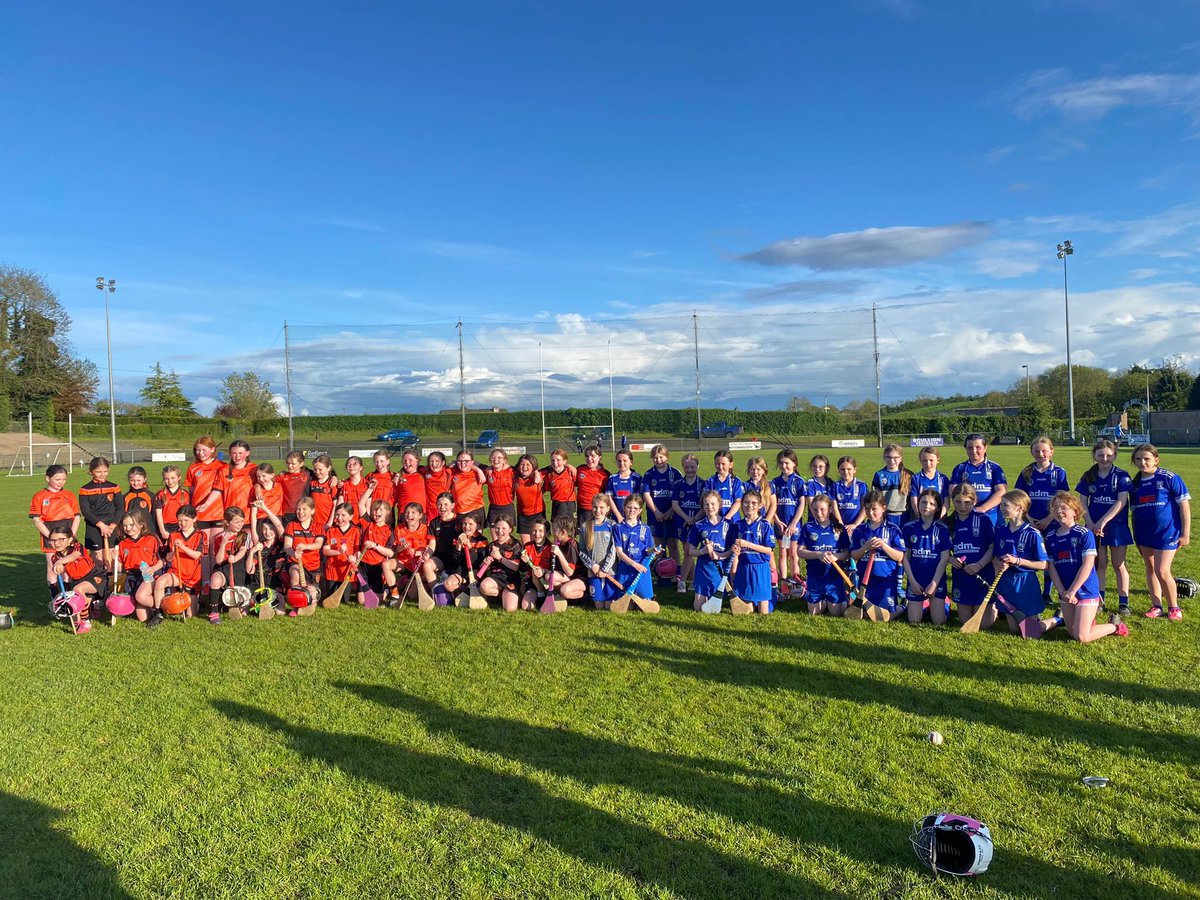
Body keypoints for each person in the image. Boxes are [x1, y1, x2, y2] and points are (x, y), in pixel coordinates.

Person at [1038, 492, 1128, 642]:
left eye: (1064, 508)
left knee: (1081, 636)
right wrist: (1062, 592)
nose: (1059, 511)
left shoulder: (1084, 533)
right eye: (1055, 508)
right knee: (1072, 632)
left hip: (1085, 589)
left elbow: (1087, 565)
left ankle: (1115, 626)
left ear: (1075, 511)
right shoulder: (1050, 537)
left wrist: (1073, 591)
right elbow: (1052, 567)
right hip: (1066, 591)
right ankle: (1080, 621)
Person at [1128, 443, 1191, 620]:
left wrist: (1185, 534)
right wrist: (1136, 534)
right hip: (1144, 533)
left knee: (1162, 570)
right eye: (1138, 459)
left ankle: (1174, 607)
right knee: (1150, 568)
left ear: (1156, 459)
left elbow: (1184, 507)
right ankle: (1156, 605)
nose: (1142, 462)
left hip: (1167, 532)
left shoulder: (1169, 477)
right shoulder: (1135, 484)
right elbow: (1134, 512)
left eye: (1146, 459)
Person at [1076, 439, 1133, 614]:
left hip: (1116, 526)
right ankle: (1099, 600)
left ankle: (1123, 602)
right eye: (1100, 455)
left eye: (1109, 455)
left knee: (1118, 564)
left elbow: (1121, 501)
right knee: (1099, 564)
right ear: (1094, 456)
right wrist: (1091, 524)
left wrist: (1103, 522)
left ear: (1114, 455)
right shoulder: (1088, 476)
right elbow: (1083, 502)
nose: (1105, 458)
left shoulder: (1122, 476)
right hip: (1093, 527)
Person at [992, 490, 1049, 633]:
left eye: (1006, 505)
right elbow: (995, 556)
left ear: (1020, 508)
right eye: (1002, 505)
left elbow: (1043, 564)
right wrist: (998, 563)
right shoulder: (1000, 530)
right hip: (1006, 581)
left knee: (1030, 632)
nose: (1002, 508)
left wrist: (1017, 561)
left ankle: (1057, 620)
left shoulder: (1032, 533)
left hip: (1025, 582)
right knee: (1014, 630)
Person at [848, 491, 905, 620]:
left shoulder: (893, 529)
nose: (870, 512)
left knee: (883, 616)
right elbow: (854, 555)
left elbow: (900, 557)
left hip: (886, 581)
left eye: (874, 509)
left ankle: (903, 606)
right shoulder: (859, 530)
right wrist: (865, 547)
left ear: (883, 508)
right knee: (867, 615)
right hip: (865, 582)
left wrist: (884, 546)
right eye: (867, 509)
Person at [947, 483, 995, 626]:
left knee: (985, 624)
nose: (962, 506)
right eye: (958, 502)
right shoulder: (949, 523)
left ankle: (996, 608)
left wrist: (979, 565)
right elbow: (943, 550)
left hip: (983, 572)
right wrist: (950, 559)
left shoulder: (983, 519)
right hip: (962, 575)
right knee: (965, 621)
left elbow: (992, 547)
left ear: (975, 501)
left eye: (967, 502)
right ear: (952, 501)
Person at [902, 488, 951, 624]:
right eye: (923, 502)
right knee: (914, 620)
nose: (926, 506)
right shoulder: (909, 527)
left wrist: (934, 584)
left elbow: (945, 558)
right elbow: (904, 558)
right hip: (915, 580)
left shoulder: (942, 529)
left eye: (931, 504)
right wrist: (912, 582)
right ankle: (924, 604)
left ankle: (946, 603)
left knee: (938, 621)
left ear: (937, 508)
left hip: (936, 580)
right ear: (918, 504)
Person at [797, 494, 848, 616]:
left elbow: (847, 554)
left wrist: (836, 556)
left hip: (834, 578)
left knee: (836, 613)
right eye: (815, 510)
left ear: (830, 509)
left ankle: (844, 598)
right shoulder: (808, 527)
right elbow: (800, 551)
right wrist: (818, 554)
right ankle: (818, 597)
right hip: (815, 578)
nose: (819, 513)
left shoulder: (839, 528)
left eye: (822, 509)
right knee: (814, 612)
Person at [30, 464, 81, 583]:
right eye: (57, 479)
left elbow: (77, 517)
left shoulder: (69, 495)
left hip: (67, 533)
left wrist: (71, 536)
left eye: (64, 479)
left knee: (68, 565)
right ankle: (54, 597)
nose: (61, 482)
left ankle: (67, 596)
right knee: (52, 566)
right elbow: (37, 520)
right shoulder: (39, 496)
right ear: (48, 478)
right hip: (49, 533)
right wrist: (51, 537)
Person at [185, 436, 226, 585]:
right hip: (200, 515)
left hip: (218, 513)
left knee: (216, 548)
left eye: (204, 450)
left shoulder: (222, 466)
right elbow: (191, 492)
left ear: (213, 450)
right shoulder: (193, 468)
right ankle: (206, 582)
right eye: (198, 450)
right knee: (204, 551)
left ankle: (218, 581)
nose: (200, 453)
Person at [155, 504, 206, 619]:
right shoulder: (173, 535)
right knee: (160, 582)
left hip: (192, 577)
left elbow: (196, 555)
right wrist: (174, 551)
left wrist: (183, 547)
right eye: (179, 520)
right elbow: (168, 558)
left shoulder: (200, 535)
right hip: (176, 573)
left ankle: (196, 602)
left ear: (194, 519)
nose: (182, 523)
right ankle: (158, 613)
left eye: (186, 520)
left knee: (190, 614)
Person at [731, 489, 776, 615]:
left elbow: (769, 549)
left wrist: (748, 544)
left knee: (763, 611)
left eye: (753, 503)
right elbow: (734, 550)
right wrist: (735, 553)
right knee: (747, 611)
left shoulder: (765, 525)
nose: (749, 506)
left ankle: (773, 596)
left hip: (760, 567)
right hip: (744, 567)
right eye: (746, 503)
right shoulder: (738, 525)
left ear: (760, 505)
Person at [687, 490, 733, 612]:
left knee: (716, 606)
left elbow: (732, 551)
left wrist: (719, 556)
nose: (710, 507)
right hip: (704, 569)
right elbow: (690, 552)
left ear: (719, 505)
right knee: (698, 607)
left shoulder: (729, 525)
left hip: (721, 569)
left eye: (713, 504)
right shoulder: (698, 526)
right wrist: (702, 551)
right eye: (706, 504)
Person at [117, 511, 163, 626]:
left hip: (149, 574)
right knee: (142, 618)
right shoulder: (122, 543)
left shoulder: (152, 539)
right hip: (133, 576)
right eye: (125, 525)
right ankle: (156, 606)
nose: (128, 528)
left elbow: (163, 560)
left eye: (131, 525)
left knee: (140, 596)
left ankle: (163, 608)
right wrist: (114, 559)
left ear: (141, 524)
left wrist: (153, 569)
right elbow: (119, 569)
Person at [950, 434, 1007, 524]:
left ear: (985, 448)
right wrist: (966, 508)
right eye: (970, 447)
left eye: (978, 447)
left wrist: (982, 509)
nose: (974, 451)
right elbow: (953, 491)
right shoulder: (960, 468)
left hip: (992, 516)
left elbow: (1001, 491)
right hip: (967, 515)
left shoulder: (995, 468)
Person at [1015, 437, 1068, 532]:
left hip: (1053, 521)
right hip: (1030, 521)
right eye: (1036, 451)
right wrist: (1028, 517)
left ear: (1051, 451)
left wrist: (1049, 518)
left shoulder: (1059, 472)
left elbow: (1064, 499)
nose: (1040, 454)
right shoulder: (1026, 472)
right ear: (1031, 452)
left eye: (1044, 451)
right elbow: (1018, 498)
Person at [642, 445, 681, 572]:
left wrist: (671, 510)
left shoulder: (675, 473)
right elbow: (646, 494)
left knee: (673, 545)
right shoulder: (649, 474)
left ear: (667, 457)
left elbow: (680, 494)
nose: (658, 460)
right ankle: (660, 572)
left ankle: (676, 572)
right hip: (655, 515)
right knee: (657, 546)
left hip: (672, 514)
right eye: (655, 457)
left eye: (661, 457)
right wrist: (656, 512)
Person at [209, 507, 253, 622]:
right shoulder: (219, 538)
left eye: (242, 521)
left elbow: (243, 550)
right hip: (223, 567)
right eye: (236, 522)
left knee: (243, 613)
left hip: (238, 568)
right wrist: (223, 544)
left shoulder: (244, 535)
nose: (240, 524)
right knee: (215, 580)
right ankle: (214, 612)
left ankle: (234, 606)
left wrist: (235, 558)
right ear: (227, 522)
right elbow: (218, 561)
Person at [284, 497, 325, 616]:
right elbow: (287, 545)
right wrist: (293, 553)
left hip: (313, 566)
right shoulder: (292, 525)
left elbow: (318, 544)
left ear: (312, 511)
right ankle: (296, 606)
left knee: (312, 592)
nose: (300, 512)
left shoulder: (318, 526)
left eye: (304, 509)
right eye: (298, 509)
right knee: (295, 575)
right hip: (295, 561)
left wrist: (306, 546)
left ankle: (308, 603)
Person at [78, 456, 121, 570]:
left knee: (113, 559)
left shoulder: (114, 487)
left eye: (105, 471)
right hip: (94, 527)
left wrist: (113, 525)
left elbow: (120, 508)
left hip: (112, 527)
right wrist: (100, 525)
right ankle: (100, 585)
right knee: (98, 560)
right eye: (98, 472)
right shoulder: (85, 489)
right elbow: (86, 511)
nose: (102, 474)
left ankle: (113, 586)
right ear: (91, 471)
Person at [771, 449, 806, 585]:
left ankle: (795, 580)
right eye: (781, 463)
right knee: (782, 552)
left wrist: (793, 524)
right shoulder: (774, 482)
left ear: (794, 464)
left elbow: (802, 504)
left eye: (787, 463)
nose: (784, 466)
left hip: (794, 525)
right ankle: (784, 582)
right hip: (781, 525)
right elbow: (772, 504)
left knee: (793, 552)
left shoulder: (799, 481)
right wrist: (778, 521)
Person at [578, 493, 618, 609]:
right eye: (595, 507)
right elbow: (581, 550)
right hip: (594, 571)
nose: (598, 510)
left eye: (601, 507)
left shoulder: (612, 525)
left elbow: (614, 549)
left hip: (610, 571)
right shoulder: (586, 526)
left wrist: (605, 569)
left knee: (609, 606)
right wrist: (592, 566)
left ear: (608, 509)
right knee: (599, 606)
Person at [613, 496, 655, 605]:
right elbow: (619, 552)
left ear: (640, 511)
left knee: (645, 602)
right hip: (626, 567)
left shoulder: (645, 529)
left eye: (635, 508)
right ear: (624, 508)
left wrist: (654, 550)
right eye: (629, 507)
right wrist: (634, 564)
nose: (632, 510)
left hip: (642, 568)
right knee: (626, 604)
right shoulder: (618, 528)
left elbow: (648, 550)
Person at [671, 453, 703, 593]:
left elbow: (705, 505)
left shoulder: (703, 484)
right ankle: (693, 581)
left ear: (697, 466)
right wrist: (686, 518)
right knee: (687, 551)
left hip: (698, 522)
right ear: (683, 467)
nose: (690, 470)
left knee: (689, 552)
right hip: (682, 522)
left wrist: (694, 519)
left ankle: (683, 582)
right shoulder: (678, 485)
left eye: (692, 467)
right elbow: (675, 505)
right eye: (687, 467)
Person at [479, 514, 522, 612]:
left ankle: (508, 595)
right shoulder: (492, 545)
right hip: (496, 577)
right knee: (484, 587)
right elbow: (482, 567)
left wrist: (500, 558)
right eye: (497, 528)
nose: (500, 531)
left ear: (510, 529)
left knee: (510, 609)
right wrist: (485, 562)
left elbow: (516, 567)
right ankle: (501, 594)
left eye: (504, 528)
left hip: (511, 578)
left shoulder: (516, 544)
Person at [392, 501, 432, 604]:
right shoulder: (399, 528)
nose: (409, 515)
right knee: (386, 564)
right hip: (404, 562)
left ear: (420, 515)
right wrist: (401, 547)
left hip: (418, 565)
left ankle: (406, 582)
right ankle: (394, 593)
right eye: (407, 512)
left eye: (413, 513)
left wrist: (415, 552)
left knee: (412, 596)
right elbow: (396, 550)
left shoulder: (425, 529)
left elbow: (429, 548)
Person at [359, 500, 399, 601]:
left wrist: (375, 545)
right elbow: (360, 504)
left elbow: (390, 553)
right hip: (363, 564)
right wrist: (370, 489)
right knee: (361, 601)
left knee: (378, 600)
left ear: (388, 512)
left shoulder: (389, 531)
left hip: (377, 566)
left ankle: (387, 589)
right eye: (375, 509)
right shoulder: (368, 523)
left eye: (381, 509)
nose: (377, 512)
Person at [322, 502, 362, 602]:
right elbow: (325, 551)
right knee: (331, 598)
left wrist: (355, 558)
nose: (339, 518)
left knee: (345, 600)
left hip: (347, 572)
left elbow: (358, 551)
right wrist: (339, 552)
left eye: (343, 515)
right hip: (332, 571)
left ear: (351, 517)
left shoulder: (356, 531)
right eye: (337, 514)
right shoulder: (330, 531)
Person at [871, 445, 912, 529]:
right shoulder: (879, 475)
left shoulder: (908, 475)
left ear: (901, 458)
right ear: (884, 458)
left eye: (895, 457)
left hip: (905, 515)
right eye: (889, 457)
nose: (892, 460)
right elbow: (875, 498)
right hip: (886, 515)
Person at [549, 515, 587, 603]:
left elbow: (570, 572)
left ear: (563, 532)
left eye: (555, 530)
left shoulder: (571, 545)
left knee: (565, 591)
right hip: (569, 578)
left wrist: (559, 554)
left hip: (579, 578)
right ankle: (565, 597)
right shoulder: (559, 543)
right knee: (549, 576)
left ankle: (584, 596)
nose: (553, 533)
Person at [519, 519, 553, 610]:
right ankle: (539, 594)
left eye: (541, 531)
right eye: (534, 530)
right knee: (526, 607)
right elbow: (522, 569)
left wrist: (544, 571)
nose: (537, 534)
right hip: (532, 582)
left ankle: (544, 595)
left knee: (537, 571)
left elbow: (555, 569)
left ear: (547, 532)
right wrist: (523, 562)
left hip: (546, 581)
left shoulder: (551, 548)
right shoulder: (527, 546)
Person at [221, 440, 258, 525]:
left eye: (240, 453)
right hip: (230, 515)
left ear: (247, 453)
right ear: (230, 453)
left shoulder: (254, 469)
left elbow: (264, 484)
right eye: (234, 453)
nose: (237, 456)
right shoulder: (224, 470)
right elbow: (217, 491)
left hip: (249, 515)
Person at [450, 450, 488, 528]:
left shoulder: (478, 474)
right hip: (459, 512)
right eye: (460, 461)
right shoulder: (453, 472)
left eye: (466, 461)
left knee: (476, 539)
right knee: (460, 538)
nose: (463, 463)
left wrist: (478, 470)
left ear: (472, 462)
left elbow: (494, 469)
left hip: (476, 510)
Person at [831, 456, 868, 536]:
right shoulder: (835, 486)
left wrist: (855, 524)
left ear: (855, 470)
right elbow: (834, 508)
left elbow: (864, 508)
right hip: (840, 526)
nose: (846, 472)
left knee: (857, 547)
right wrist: (840, 524)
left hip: (858, 525)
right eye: (842, 469)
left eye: (849, 469)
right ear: (838, 470)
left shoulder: (861, 485)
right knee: (842, 548)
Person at [514, 454, 546, 543]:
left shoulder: (539, 476)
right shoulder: (514, 477)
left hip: (538, 514)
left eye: (528, 465)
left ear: (533, 466)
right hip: (523, 516)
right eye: (522, 464)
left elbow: (554, 467)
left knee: (538, 543)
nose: (524, 467)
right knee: (527, 546)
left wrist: (536, 472)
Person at [704, 450, 744, 522]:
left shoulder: (736, 481)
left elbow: (738, 502)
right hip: (715, 521)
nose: (720, 467)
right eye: (718, 464)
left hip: (732, 521)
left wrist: (727, 518)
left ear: (731, 464)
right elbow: (705, 502)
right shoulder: (710, 481)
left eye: (723, 464)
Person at [540, 449, 578, 524]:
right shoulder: (549, 475)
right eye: (553, 460)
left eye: (558, 460)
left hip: (570, 505)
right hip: (557, 505)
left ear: (564, 461)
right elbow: (546, 488)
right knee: (557, 528)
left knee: (571, 529)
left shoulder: (571, 472)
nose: (555, 463)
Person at [484, 449, 518, 531]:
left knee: (506, 538)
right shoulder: (488, 472)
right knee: (495, 539)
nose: (496, 460)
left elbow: (525, 468)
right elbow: (473, 464)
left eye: (499, 457)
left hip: (507, 507)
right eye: (493, 458)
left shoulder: (511, 471)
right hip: (494, 509)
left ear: (504, 460)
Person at [909, 446, 949, 516]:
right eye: (925, 460)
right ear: (920, 460)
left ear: (938, 460)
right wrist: (920, 516)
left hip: (939, 517)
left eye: (931, 460)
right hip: (921, 516)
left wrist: (939, 517)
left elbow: (946, 502)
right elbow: (914, 501)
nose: (928, 463)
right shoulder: (916, 478)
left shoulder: (943, 478)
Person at [153, 464, 190, 541]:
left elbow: (187, 514)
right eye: (166, 478)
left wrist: (185, 527)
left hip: (180, 526)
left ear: (179, 477)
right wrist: (162, 530)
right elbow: (158, 514)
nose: (170, 481)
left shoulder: (185, 494)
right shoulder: (160, 494)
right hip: (165, 527)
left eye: (173, 478)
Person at [574, 444, 610, 518]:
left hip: (598, 510)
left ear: (599, 458)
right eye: (587, 456)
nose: (589, 459)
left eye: (593, 456)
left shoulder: (605, 474)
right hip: (582, 510)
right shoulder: (580, 470)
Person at [605, 450, 642, 520]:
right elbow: (609, 499)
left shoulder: (637, 478)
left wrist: (634, 516)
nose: (622, 463)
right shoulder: (612, 478)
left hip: (633, 518)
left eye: (625, 460)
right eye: (619, 461)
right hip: (617, 518)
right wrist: (618, 516)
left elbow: (640, 500)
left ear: (631, 462)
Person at [277, 450, 313, 523]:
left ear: (301, 463)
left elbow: (325, 473)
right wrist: (258, 487)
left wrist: (333, 476)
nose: (290, 466)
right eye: (288, 463)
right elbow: (266, 481)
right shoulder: (283, 476)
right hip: (288, 513)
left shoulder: (308, 474)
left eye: (293, 464)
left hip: (304, 512)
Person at [392, 451, 426, 524]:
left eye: (410, 460)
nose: (407, 462)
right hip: (404, 514)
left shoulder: (424, 473)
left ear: (417, 460)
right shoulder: (399, 477)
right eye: (405, 460)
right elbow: (393, 496)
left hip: (420, 513)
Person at [308, 454, 340, 530]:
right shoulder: (312, 482)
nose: (317, 472)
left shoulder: (332, 484)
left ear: (328, 468)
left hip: (327, 523)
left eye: (320, 469)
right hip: (313, 523)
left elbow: (335, 505)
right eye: (315, 469)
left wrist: (329, 523)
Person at [337, 455, 371, 525]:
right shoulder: (344, 484)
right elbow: (340, 504)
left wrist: (367, 523)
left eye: (354, 464)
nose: (351, 466)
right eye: (349, 464)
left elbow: (368, 507)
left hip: (362, 522)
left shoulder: (367, 484)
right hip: (347, 523)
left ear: (361, 468)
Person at [421, 451, 454, 522]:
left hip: (444, 508)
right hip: (430, 509)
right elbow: (409, 468)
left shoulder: (449, 472)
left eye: (437, 461)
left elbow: (465, 464)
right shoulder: (425, 472)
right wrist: (399, 474)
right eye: (431, 461)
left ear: (443, 463)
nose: (434, 464)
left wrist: (454, 462)